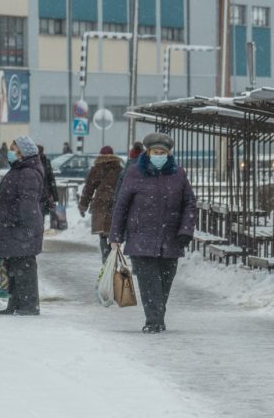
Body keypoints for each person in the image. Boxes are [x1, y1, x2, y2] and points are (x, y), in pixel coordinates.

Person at [110, 133, 197, 334]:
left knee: (164, 284)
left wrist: (186, 230)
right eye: (156, 152)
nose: (160, 155)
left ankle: (157, 317)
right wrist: (115, 236)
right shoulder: (134, 173)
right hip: (142, 238)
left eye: (163, 153)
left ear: (169, 154)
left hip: (171, 239)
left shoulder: (178, 174)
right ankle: (153, 321)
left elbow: (189, 204)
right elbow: (121, 205)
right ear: (148, 153)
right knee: (149, 283)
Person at [0, 135, 44, 316]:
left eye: (14, 148)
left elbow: (27, 207)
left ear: (23, 153)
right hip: (15, 229)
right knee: (14, 266)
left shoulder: (28, 173)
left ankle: (29, 306)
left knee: (25, 268)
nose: (10, 151)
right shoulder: (20, 169)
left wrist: (8, 216)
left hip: (23, 230)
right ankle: (14, 304)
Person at [78, 146, 123, 263]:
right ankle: (112, 260)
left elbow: (88, 189)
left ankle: (106, 260)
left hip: (101, 205)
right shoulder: (119, 169)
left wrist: (83, 205)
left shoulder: (96, 169)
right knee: (113, 234)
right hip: (115, 205)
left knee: (103, 234)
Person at [37, 145, 60, 224]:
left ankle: (38, 233)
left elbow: (51, 179)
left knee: (40, 216)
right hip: (38, 194)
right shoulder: (32, 162)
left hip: (42, 194)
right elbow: (51, 179)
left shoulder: (46, 162)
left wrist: (55, 196)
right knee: (37, 216)